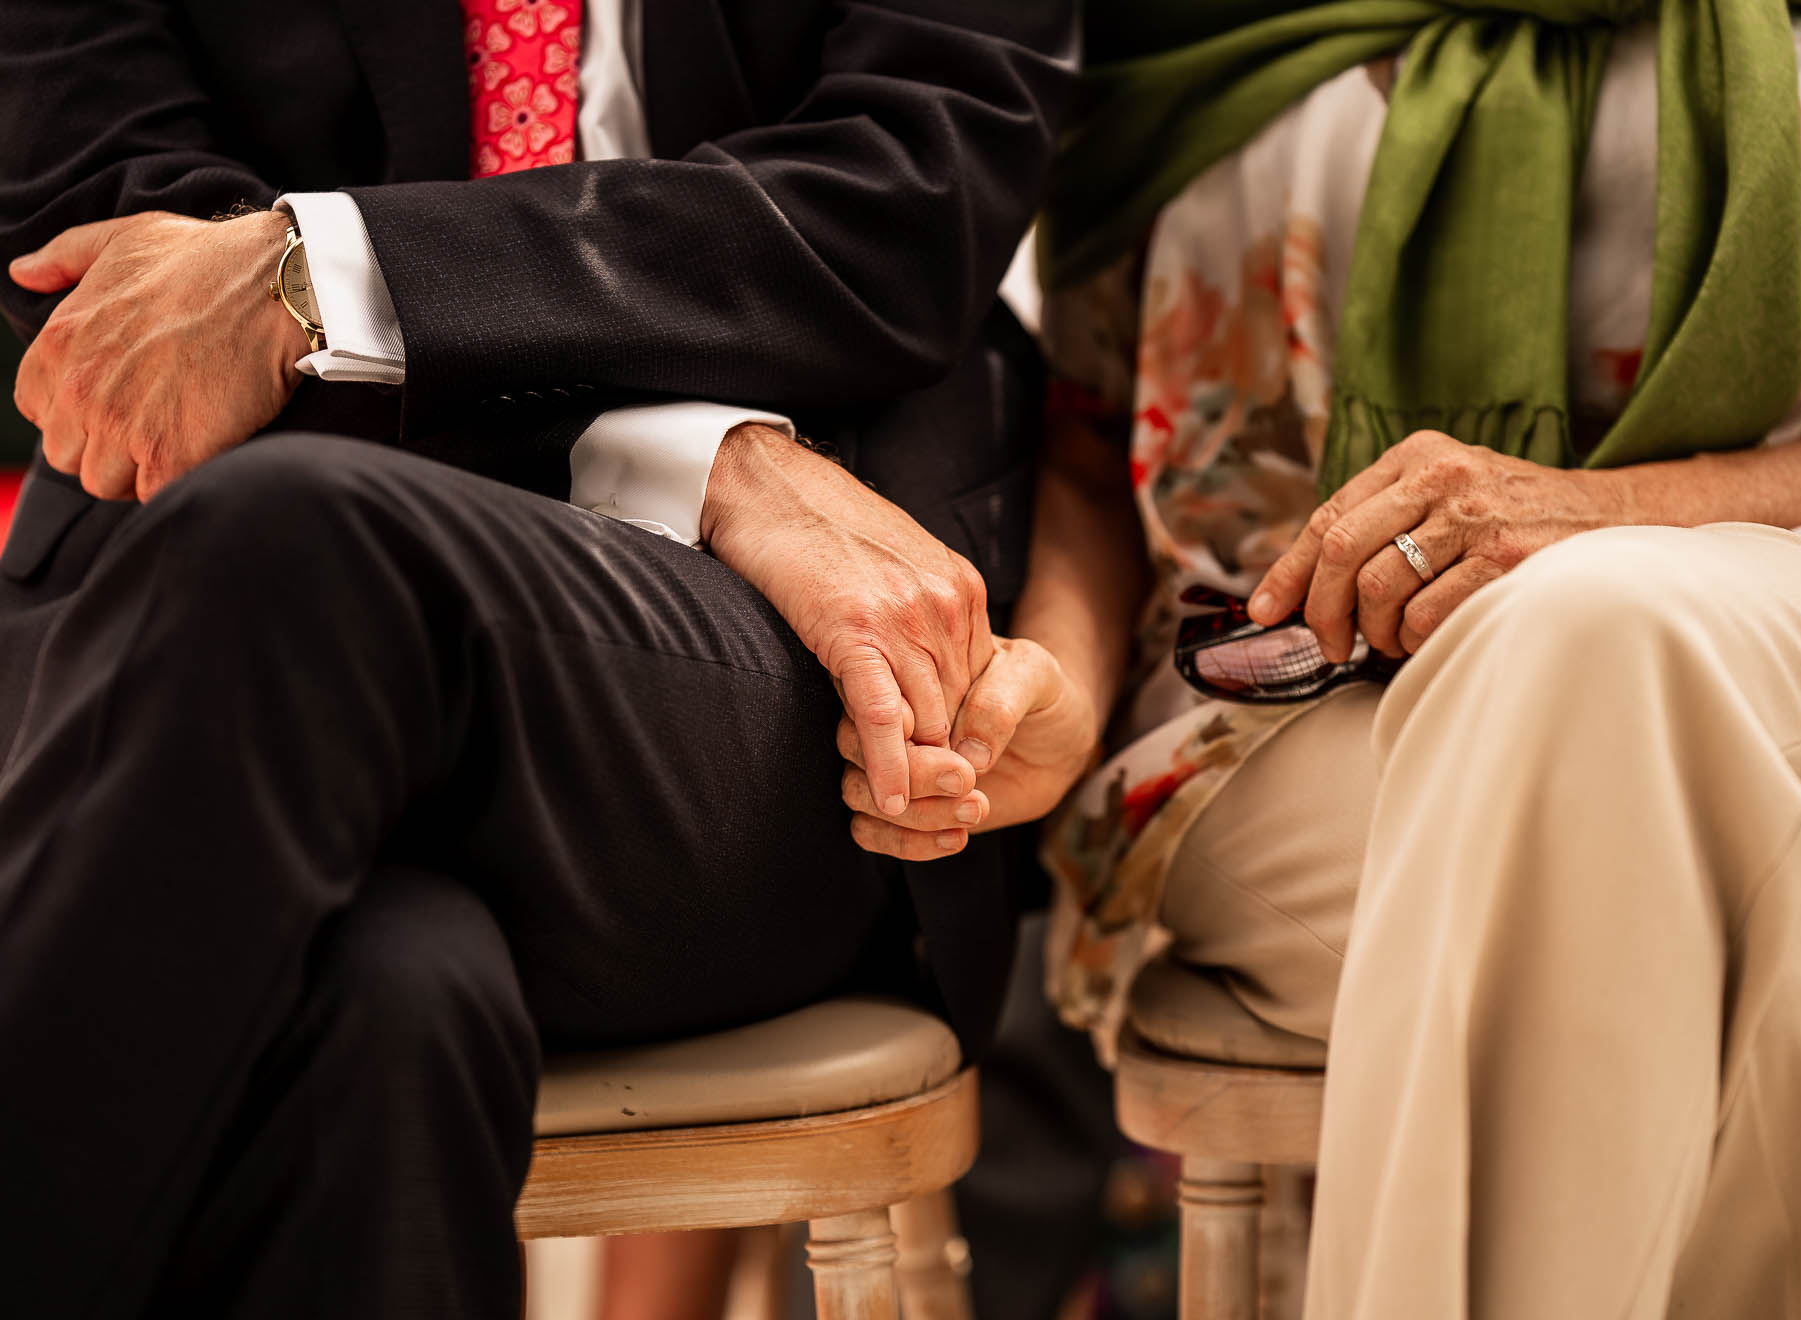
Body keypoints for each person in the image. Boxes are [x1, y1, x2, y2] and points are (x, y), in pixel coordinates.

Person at [837, 3, 1801, 1316]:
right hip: (1275, 718)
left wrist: (1600, 517)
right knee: (1777, 987)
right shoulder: (1185, 14)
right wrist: (1060, 688)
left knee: (1580, 626)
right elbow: (1098, 444)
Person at [0, 2, 1073, 1315]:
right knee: (389, 996)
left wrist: (326, 281)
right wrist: (715, 460)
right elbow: (127, 311)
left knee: (294, 546)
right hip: (211, 685)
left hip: (741, 675)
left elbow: (910, 197)